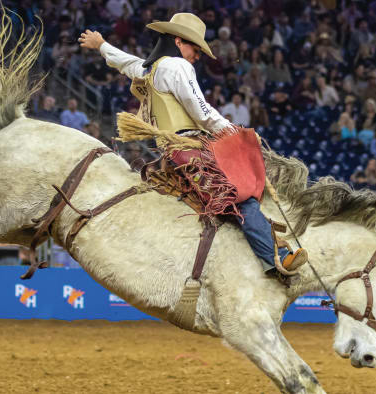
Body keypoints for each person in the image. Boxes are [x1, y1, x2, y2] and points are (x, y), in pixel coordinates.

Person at [79, 13, 306, 277]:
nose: (197, 57)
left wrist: (101, 45)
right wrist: (237, 132)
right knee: (242, 197)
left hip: (174, 152)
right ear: (178, 41)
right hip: (191, 150)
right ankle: (276, 258)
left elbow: (126, 63)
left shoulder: (151, 69)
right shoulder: (177, 67)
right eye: (195, 49)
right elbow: (202, 112)